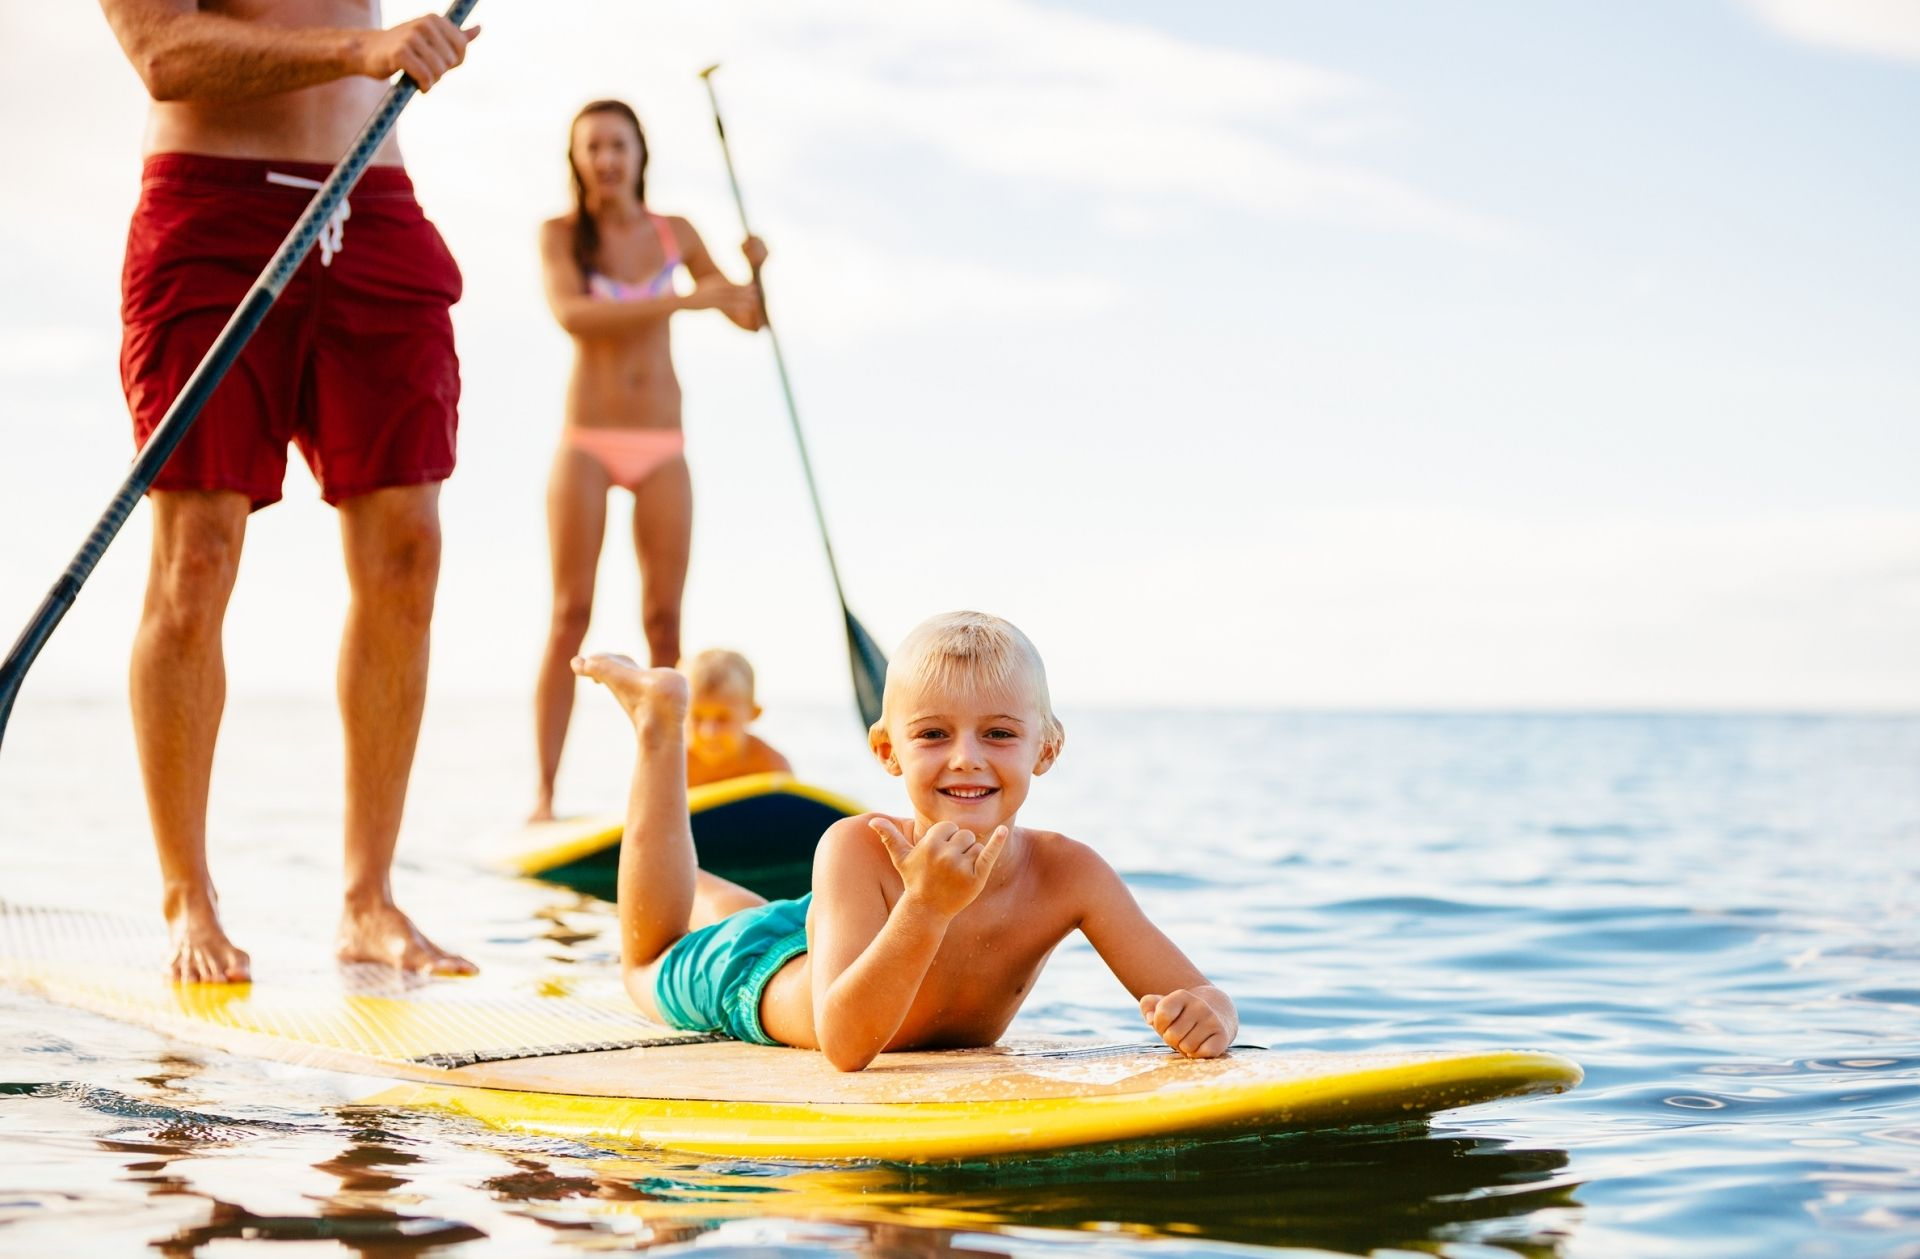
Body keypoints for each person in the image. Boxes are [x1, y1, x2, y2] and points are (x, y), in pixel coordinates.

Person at [99, 0, 482, 982]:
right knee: (197, 553)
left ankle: (369, 898)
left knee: (410, 550)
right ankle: (189, 892)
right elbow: (163, 52)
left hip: (374, 197)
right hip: (213, 207)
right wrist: (363, 48)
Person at [573, 611, 1238, 1072]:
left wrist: (1211, 1017)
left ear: (1047, 746)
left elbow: (1202, 992)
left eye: (999, 733)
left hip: (829, 936)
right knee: (644, 958)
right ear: (888, 750)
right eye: (933, 734)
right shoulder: (857, 847)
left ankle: (719, 885)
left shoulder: (1071, 872)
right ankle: (660, 722)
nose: (966, 759)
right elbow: (846, 1045)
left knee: (751, 911)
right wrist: (924, 906)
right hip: (753, 978)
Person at [530, 100, 768, 823]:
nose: (605, 158)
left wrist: (754, 274)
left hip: (664, 441)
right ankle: (544, 797)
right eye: (592, 147)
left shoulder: (677, 234)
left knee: (665, 623)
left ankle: (669, 795)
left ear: (640, 154)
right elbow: (575, 315)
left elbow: (746, 315)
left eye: (617, 145)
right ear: (577, 159)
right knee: (570, 613)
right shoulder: (563, 236)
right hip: (588, 441)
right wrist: (686, 302)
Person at [684, 649, 792, 788]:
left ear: (754, 713)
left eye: (722, 719)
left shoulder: (771, 767)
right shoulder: (672, 764)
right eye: (697, 718)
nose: (709, 733)